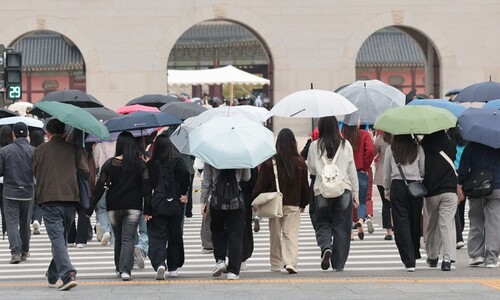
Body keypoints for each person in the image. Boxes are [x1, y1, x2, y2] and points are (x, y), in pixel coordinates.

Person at [32, 118, 89, 291]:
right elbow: (85, 172)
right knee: (60, 239)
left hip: (49, 199)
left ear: (47, 133)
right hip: (71, 199)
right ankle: (52, 274)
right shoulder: (74, 149)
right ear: (64, 132)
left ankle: (68, 274)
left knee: (58, 240)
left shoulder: (40, 150)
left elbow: (33, 171)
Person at [86, 131, 151, 281]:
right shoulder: (140, 164)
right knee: (128, 239)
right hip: (133, 206)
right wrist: (148, 209)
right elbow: (146, 189)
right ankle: (125, 270)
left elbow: (99, 187)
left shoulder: (109, 164)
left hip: (114, 206)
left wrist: (90, 208)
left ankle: (119, 268)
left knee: (119, 238)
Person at [253, 128, 309, 274]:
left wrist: (256, 199)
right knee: (290, 234)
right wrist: (303, 203)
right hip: (293, 203)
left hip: (274, 204)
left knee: (275, 235)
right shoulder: (300, 162)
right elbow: (304, 186)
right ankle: (290, 262)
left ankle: (276, 263)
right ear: (293, 143)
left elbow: (261, 183)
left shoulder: (270, 161)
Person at [307, 116, 358, 272]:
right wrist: (355, 193)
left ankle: (325, 247)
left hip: (321, 190)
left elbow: (312, 170)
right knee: (342, 227)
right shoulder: (346, 145)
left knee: (322, 222)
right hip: (343, 190)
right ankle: (339, 264)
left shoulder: (314, 146)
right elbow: (352, 171)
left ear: (321, 128)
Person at [144, 134, 189, 280]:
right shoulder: (178, 161)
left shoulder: (151, 164)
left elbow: (146, 188)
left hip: (157, 204)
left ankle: (159, 263)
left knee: (157, 235)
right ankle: (173, 267)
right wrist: (183, 193)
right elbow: (185, 176)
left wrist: (147, 209)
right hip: (175, 204)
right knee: (175, 234)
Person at [200, 164, 250, 280]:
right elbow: (246, 177)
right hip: (236, 200)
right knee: (235, 235)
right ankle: (233, 271)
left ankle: (220, 260)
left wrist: (203, 201)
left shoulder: (211, 154)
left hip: (217, 200)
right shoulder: (241, 154)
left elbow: (206, 181)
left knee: (217, 232)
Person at [383, 134, 425, 272]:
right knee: (414, 220)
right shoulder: (418, 148)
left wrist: (387, 189)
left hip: (397, 186)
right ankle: (414, 251)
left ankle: (409, 260)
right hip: (415, 186)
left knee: (401, 224)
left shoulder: (391, 149)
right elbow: (423, 169)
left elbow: (386, 172)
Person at [457, 142, 500, 268]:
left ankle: (476, 254)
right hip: (497, 185)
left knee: (476, 218)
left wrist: (460, 183)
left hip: (476, 185)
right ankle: (491, 258)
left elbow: (463, 166)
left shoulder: (472, 144)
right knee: (494, 222)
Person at [421, 130, 458, 271]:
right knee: (447, 224)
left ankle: (432, 257)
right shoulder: (450, 144)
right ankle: (447, 259)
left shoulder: (424, 146)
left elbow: (422, 169)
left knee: (432, 224)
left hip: (431, 191)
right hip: (449, 190)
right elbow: (453, 160)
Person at [0, 122, 35, 264]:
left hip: (10, 191)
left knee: (12, 222)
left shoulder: (5, 151)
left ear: (13, 134)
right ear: (27, 134)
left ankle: (15, 253)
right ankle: (25, 251)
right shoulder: (34, 150)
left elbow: (0, 171)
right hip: (28, 192)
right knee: (25, 223)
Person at [341, 117, 375, 241]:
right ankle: (361, 220)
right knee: (361, 199)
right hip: (361, 170)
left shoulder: (342, 136)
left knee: (347, 202)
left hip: (346, 173)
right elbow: (370, 151)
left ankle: (350, 232)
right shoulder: (364, 135)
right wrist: (366, 166)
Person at [93, 140, 116, 246]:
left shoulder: (99, 145)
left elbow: (96, 164)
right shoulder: (118, 143)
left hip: (102, 179)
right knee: (113, 209)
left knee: (102, 208)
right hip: (116, 180)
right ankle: (113, 239)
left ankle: (105, 230)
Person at [373, 131, 393, 240]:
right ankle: (396, 226)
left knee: (385, 204)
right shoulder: (397, 138)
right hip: (395, 174)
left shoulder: (380, 139)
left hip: (382, 174)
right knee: (396, 204)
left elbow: (373, 152)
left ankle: (389, 231)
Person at [29, 129, 45, 235]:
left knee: (31, 202)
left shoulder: (30, 150)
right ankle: (37, 220)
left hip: (29, 180)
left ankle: (31, 220)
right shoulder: (43, 150)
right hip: (41, 180)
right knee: (39, 203)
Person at [0, 125, 13, 239]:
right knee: (6, 207)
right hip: (9, 180)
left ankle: (5, 229)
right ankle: (6, 228)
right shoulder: (12, 148)